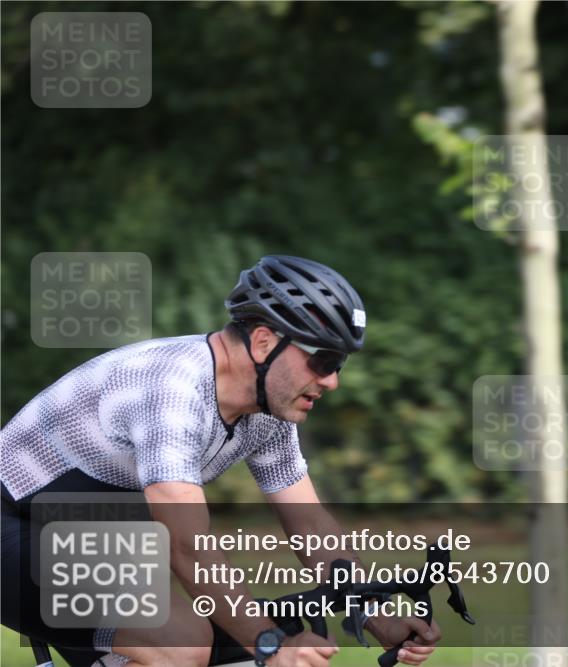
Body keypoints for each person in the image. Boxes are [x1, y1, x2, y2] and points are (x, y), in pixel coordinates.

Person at [1, 255, 441, 667]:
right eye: (322, 360)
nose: (332, 381)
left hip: (81, 536)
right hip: (13, 522)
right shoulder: (172, 388)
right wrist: (270, 646)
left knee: (232, 646)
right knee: (186, 637)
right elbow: (187, 545)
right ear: (265, 342)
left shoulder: (266, 413)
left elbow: (308, 523)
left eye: (339, 363)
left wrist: (372, 610)